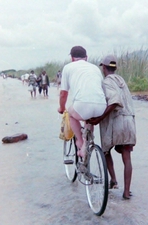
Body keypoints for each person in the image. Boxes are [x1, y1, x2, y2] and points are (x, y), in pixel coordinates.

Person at [87, 55, 136, 200]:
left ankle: (113, 180)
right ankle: (126, 192)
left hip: (116, 122)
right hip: (129, 121)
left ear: (103, 67)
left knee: (106, 151)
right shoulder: (122, 80)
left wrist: (99, 119)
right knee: (127, 158)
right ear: (115, 68)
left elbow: (114, 101)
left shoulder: (107, 82)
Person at [58, 46, 106, 159]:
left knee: (70, 113)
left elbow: (63, 93)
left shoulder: (68, 67)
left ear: (72, 58)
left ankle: (80, 142)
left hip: (82, 105)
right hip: (101, 106)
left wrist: (61, 108)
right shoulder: (95, 68)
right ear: (86, 57)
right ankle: (87, 143)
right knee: (89, 118)